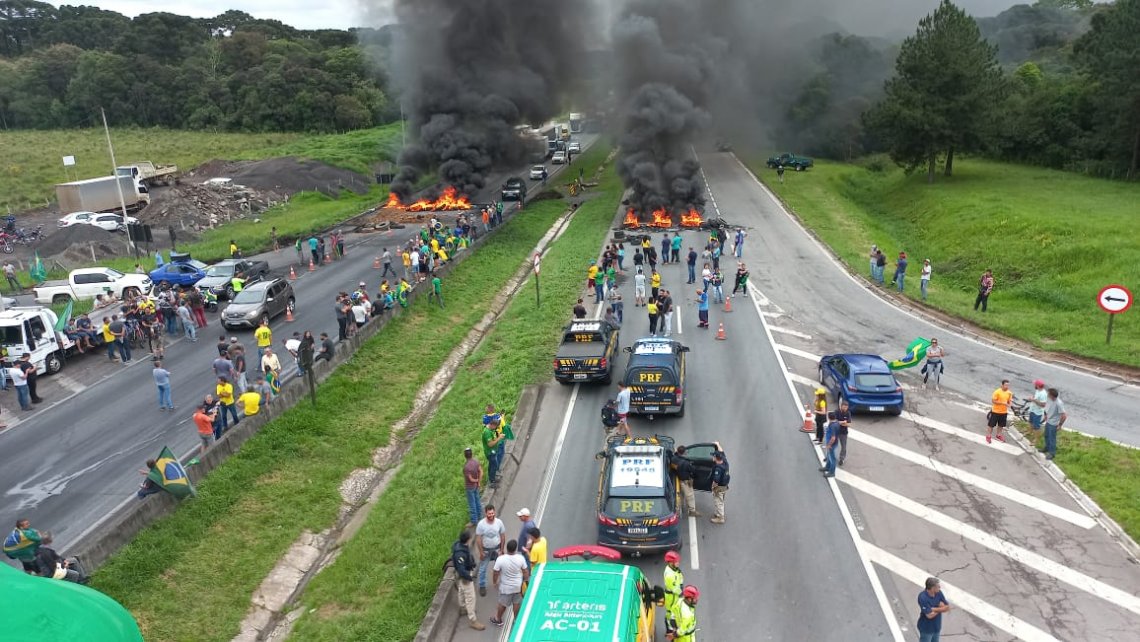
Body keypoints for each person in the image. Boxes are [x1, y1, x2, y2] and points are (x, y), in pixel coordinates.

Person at [451, 530, 486, 631]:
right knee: (471, 598)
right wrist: (469, 577)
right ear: (468, 540)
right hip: (465, 576)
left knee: (461, 590)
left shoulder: (459, 545)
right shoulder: (460, 554)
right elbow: (461, 569)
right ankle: (473, 620)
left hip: (463, 575)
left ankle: (462, 607)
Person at [489, 539, 529, 628]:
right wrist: (525, 582)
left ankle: (498, 619)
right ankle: (516, 620)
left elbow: (496, 572)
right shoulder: (520, 558)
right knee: (517, 604)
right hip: (518, 587)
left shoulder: (500, 559)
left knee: (503, 604)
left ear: (507, 548)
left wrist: (494, 582)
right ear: (515, 549)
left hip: (505, 588)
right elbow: (525, 571)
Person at [475, 505, 506, 597]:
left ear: (494, 512)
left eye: (492, 513)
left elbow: (503, 535)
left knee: (502, 566)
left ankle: (503, 583)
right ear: (485, 513)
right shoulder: (481, 524)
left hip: (497, 549)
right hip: (486, 550)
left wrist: (501, 549)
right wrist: (481, 552)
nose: (491, 515)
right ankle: (482, 586)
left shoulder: (499, 522)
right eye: (489, 514)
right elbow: (478, 539)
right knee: (482, 569)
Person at [916, 576, 951, 642]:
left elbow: (947, 607)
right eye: (938, 586)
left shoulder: (939, 593)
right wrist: (941, 607)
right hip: (926, 629)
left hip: (936, 627)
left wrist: (934, 609)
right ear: (932, 588)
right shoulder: (922, 597)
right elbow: (929, 615)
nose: (939, 588)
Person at [673, 446, 699, 516]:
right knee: (690, 496)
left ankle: (678, 509)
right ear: (684, 453)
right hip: (685, 481)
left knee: (679, 495)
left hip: (676, 480)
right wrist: (695, 477)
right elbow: (693, 471)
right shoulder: (686, 463)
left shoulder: (673, 459)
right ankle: (692, 511)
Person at [482, 414, 507, 487]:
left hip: (492, 451)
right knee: (494, 465)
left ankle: (491, 477)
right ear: (492, 425)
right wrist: (499, 438)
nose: (496, 428)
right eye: (495, 426)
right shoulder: (487, 432)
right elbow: (490, 444)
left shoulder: (490, 429)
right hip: (490, 452)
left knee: (491, 465)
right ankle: (492, 481)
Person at [1042, 387, 1067, 460]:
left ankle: (1052, 453)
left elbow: (1064, 415)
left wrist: (1060, 425)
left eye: (1048, 394)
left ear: (1052, 395)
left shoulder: (1059, 403)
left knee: (1052, 438)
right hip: (1048, 421)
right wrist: (1046, 416)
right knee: (1046, 436)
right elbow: (1050, 410)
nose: (1047, 395)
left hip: (1053, 424)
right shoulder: (1052, 400)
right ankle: (1047, 448)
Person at [663, 550, 684, 635]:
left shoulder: (674, 569)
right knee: (670, 613)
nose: (678, 563)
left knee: (673, 612)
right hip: (671, 597)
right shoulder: (669, 575)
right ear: (671, 563)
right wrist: (682, 593)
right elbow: (675, 589)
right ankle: (670, 630)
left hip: (674, 595)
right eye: (676, 562)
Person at [987, 379, 1013, 444]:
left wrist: (1010, 404)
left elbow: (1009, 400)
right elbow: (993, 401)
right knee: (991, 425)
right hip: (995, 411)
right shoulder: (997, 392)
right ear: (1002, 385)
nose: (1007, 387)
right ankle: (988, 436)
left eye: (1008, 385)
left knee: (1001, 425)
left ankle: (998, 435)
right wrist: (1002, 403)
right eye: (1006, 385)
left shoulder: (1009, 393)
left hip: (1004, 412)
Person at [463, 447, 483, 526]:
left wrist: (476, 480)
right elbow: (481, 471)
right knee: (477, 500)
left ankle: (474, 520)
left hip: (470, 487)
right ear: (472, 454)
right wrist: (479, 482)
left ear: (465, 456)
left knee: (472, 504)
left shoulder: (466, 467)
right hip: (476, 486)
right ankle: (480, 516)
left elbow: (471, 479)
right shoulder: (476, 462)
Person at [710, 444, 729, 524]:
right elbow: (722, 451)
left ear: (715, 458)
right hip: (724, 486)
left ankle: (720, 518)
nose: (712, 457)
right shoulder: (725, 461)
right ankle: (718, 514)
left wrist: (713, 487)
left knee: (718, 502)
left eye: (713, 456)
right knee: (721, 500)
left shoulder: (718, 468)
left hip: (719, 487)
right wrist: (717, 444)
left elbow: (716, 481)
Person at [819, 411, 840, 477]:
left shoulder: (832, 426)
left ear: (829, 418)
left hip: (831, 445)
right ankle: (827, 467)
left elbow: (833, 438)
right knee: (829, 456)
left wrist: (829, 445)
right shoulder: (836, 423)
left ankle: (832, 472)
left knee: (832, 458)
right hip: (834, 443)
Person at [836, 400, 852, 466]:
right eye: (844, 407)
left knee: (844, 447)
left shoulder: (848, 413)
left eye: (846, 407)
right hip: (836, 431)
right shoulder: (837, 412)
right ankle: (828, 456)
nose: (845, 408)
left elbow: (849, 424)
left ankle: (841, 459)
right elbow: (834, 421)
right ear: (841, 406)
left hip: (843, 433)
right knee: (831, 445)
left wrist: (841, 423)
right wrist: (843, 422)